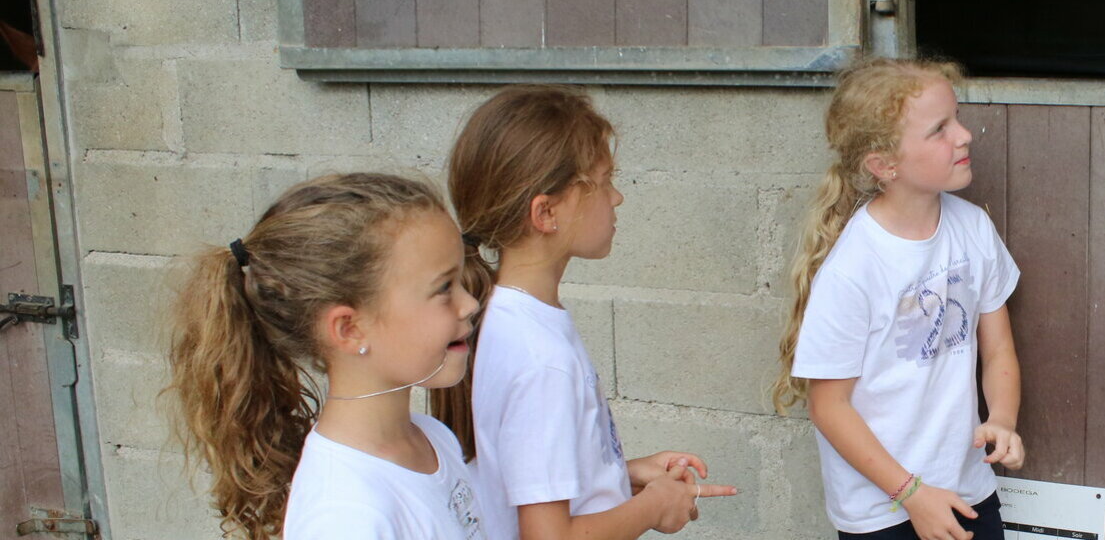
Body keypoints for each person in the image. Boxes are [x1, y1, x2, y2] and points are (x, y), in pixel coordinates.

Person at [435, 85, 736, 540]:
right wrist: (654, 506)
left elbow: (525, 482)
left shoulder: (509, 316)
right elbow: (549, 536)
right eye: (604, 181)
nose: (617, 198)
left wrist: (623, 475)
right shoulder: (541, 358)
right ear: (546, 212)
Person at [775, 57, 1026, 540]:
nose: (964, 135)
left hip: (967, 490)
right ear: (884, 165)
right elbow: (829, 408)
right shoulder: (854, 268)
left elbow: (997, 351)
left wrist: (1002, 421)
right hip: (884, 510)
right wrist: (911, 494)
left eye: (957, 118)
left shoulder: (972, 227)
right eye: (939, 129)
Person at [167, 173, 488, 539]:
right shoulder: (345, 516)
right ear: (350, 329)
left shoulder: (433, 438)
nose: (469, 303)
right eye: (444, 287)